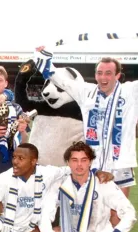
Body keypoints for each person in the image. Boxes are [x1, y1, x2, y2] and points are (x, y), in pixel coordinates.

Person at [35, 47, 138, 199]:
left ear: (118, 75)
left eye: (108, 73)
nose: (103, 77)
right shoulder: (86, 91)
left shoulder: (130, 91)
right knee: (92, 207)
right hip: (92, 161)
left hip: (120, 161)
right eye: (99, 72)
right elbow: (60, 79)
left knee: (119, 210)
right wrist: (42, 57)